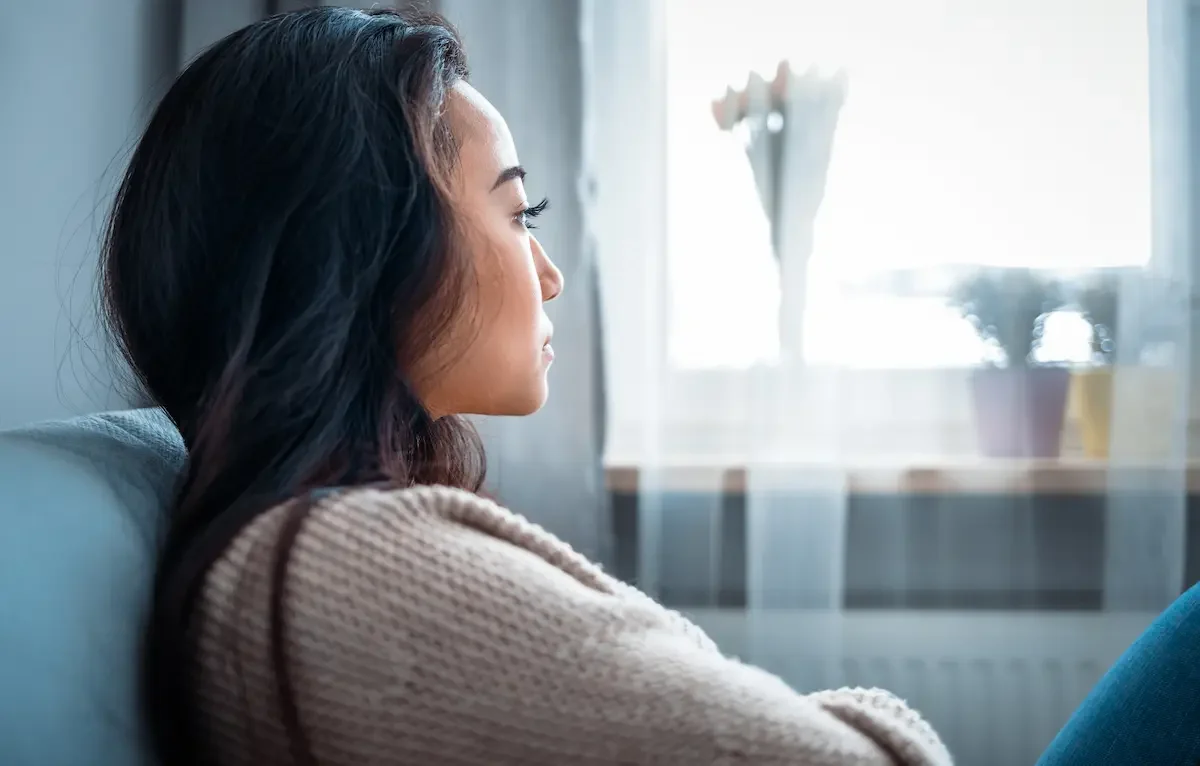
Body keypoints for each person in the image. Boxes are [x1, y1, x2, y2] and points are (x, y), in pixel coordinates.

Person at [102, 7, 952, 765]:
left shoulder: (306, 543)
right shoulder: (357, 569)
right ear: (371, 251)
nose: (547, 276)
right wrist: (854, 713)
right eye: (518, 216)